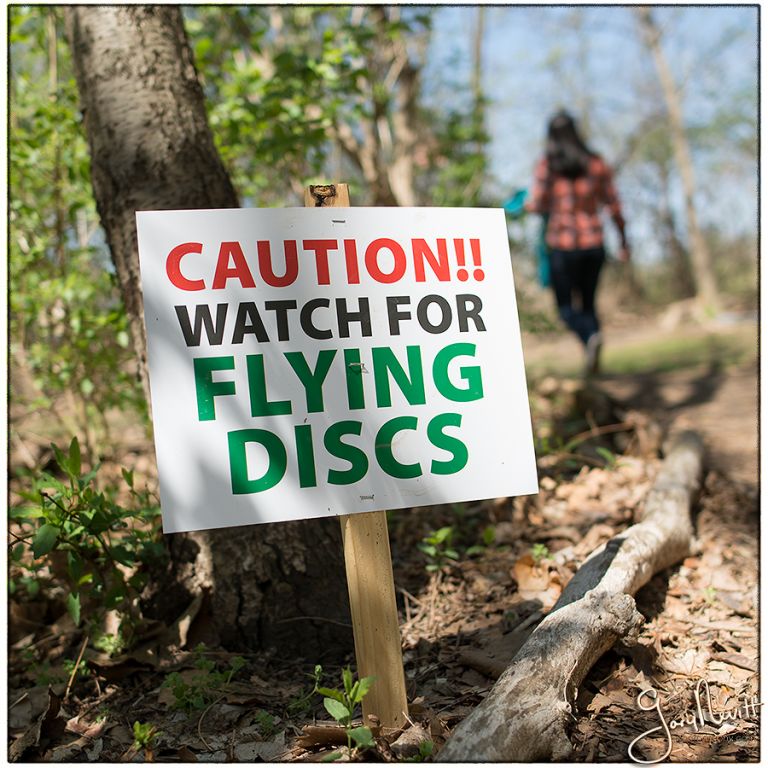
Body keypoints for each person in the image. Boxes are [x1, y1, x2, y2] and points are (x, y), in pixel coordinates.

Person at [526, 110, 630, 375]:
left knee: (565, 309)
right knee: (588, 305)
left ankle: (589, 339)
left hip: (562, 245)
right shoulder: (595, 163)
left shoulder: (548, 165)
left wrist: (527, 205)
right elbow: (614, 205)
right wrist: (623, 240)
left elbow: (537, 203)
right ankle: (592, 348)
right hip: (593, 244)